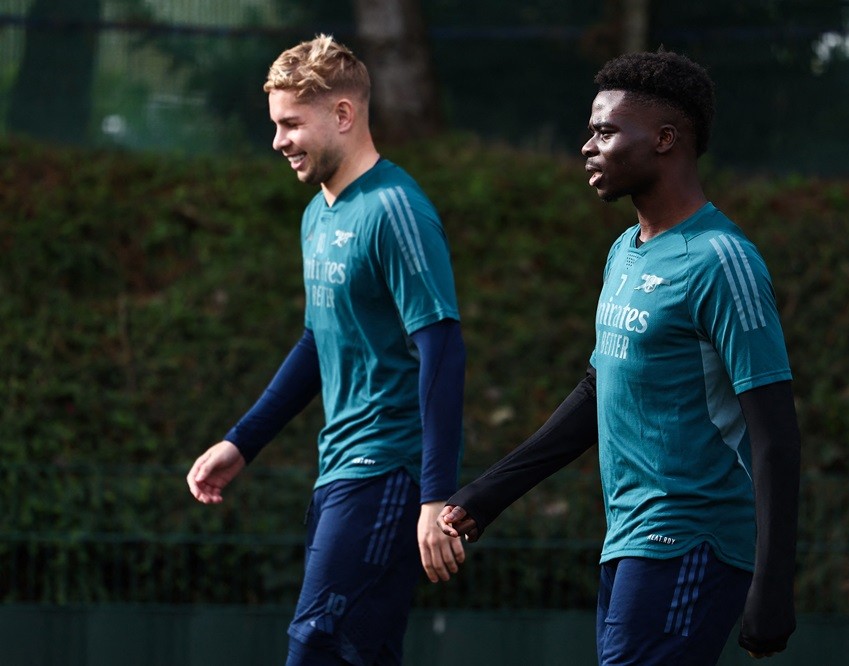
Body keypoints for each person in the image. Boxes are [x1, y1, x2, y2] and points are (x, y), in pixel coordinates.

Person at [438, 49, 801, 665]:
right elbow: (596, 389)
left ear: (665, 139)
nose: (587, 146)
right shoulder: (625, 253)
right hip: (629, 543)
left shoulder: (721, 260)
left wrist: (774, 583)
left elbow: (775, 434)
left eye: (605, 132)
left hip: (692, 539)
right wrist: (488, 493)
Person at [186, 35, 467, 666]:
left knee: (316, 645)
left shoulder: (396, 210)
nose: (280, 140)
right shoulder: (318, 215)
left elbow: (443, 349)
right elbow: (321, 340)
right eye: (276, 125)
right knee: (357, 653)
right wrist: (243, 441)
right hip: (338, 470)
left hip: (387, 470)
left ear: (342, 114)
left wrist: (434, 496)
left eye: (291, 124)